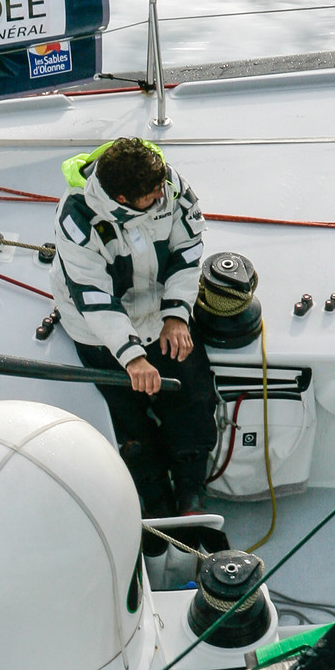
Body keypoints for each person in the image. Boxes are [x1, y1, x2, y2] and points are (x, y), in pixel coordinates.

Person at [48, 136, 219, 515]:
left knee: (192, 396)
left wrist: (176, 315)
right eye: (152, 194)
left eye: (162, 186)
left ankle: (191, 489)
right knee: (128, 424)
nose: (162, 194)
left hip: (160, 314)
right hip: (98, 331)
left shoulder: (167, 183)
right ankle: (155, 500)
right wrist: (132, 357)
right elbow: (93, 297)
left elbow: (188, 249)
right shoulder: (76, 220)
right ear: (122, 198)